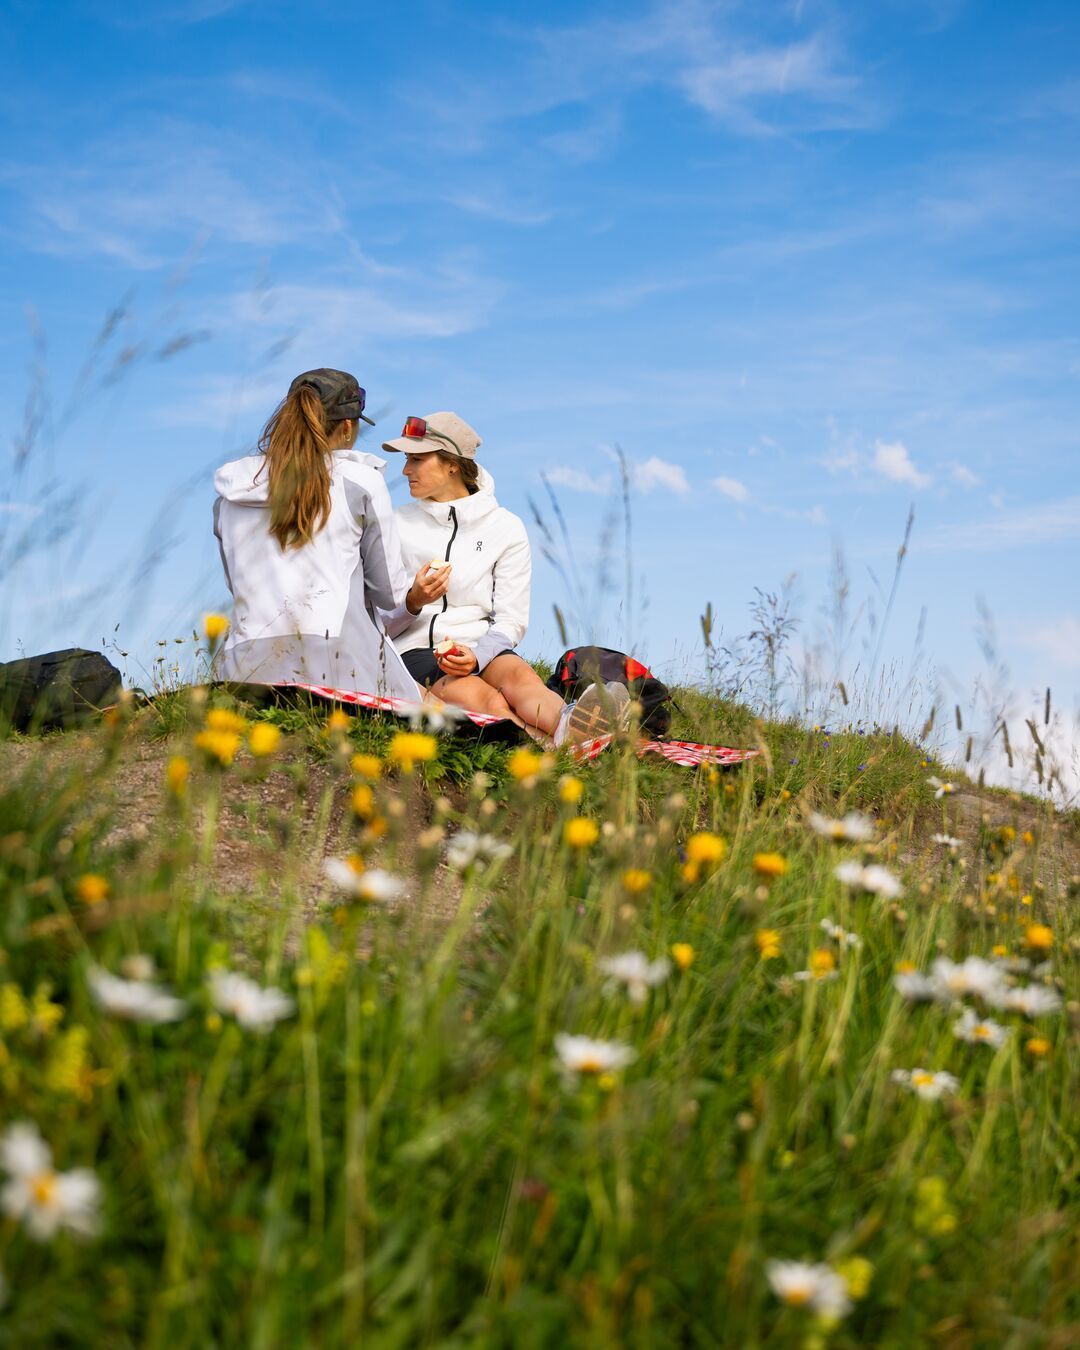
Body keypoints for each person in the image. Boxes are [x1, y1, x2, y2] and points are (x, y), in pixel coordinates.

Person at [379, 411, 626, 741]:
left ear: (452, 463)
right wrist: (413, 601)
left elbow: (511, 619)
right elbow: (375, 621)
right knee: (485, 699)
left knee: (522, 680)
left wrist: (478, 656)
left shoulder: (505, 528)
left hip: (480, 645)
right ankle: (551, 750)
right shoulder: (395, 525)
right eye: (407, 460)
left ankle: (571, 726)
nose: (406, 470)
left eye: (417, 459)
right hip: (414, 650)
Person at [212, 368, 421, 701]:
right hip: (338, 666)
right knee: (435, 706)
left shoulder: (230, 493)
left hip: (244, 668)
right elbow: (390, 594)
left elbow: (235, 584)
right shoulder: (359, 480)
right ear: (349, 425)